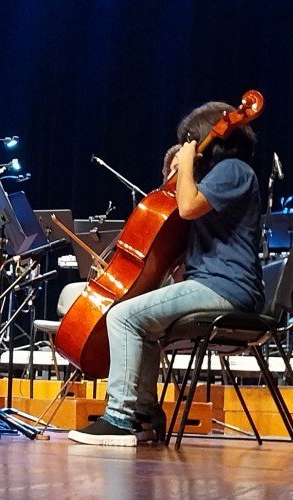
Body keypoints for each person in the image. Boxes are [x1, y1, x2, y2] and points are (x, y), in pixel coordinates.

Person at [68, 101, 265, 446]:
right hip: (213, 284)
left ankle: (119, 418)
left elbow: (187, 207)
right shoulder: (216, 179)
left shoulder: (234, 169)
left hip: (227, 287)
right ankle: (143, 414)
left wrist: (187, 166)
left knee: (123, 317)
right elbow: (176, 219)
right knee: (142, 326)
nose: (189, 146)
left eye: (190, 140)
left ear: (205, 139)